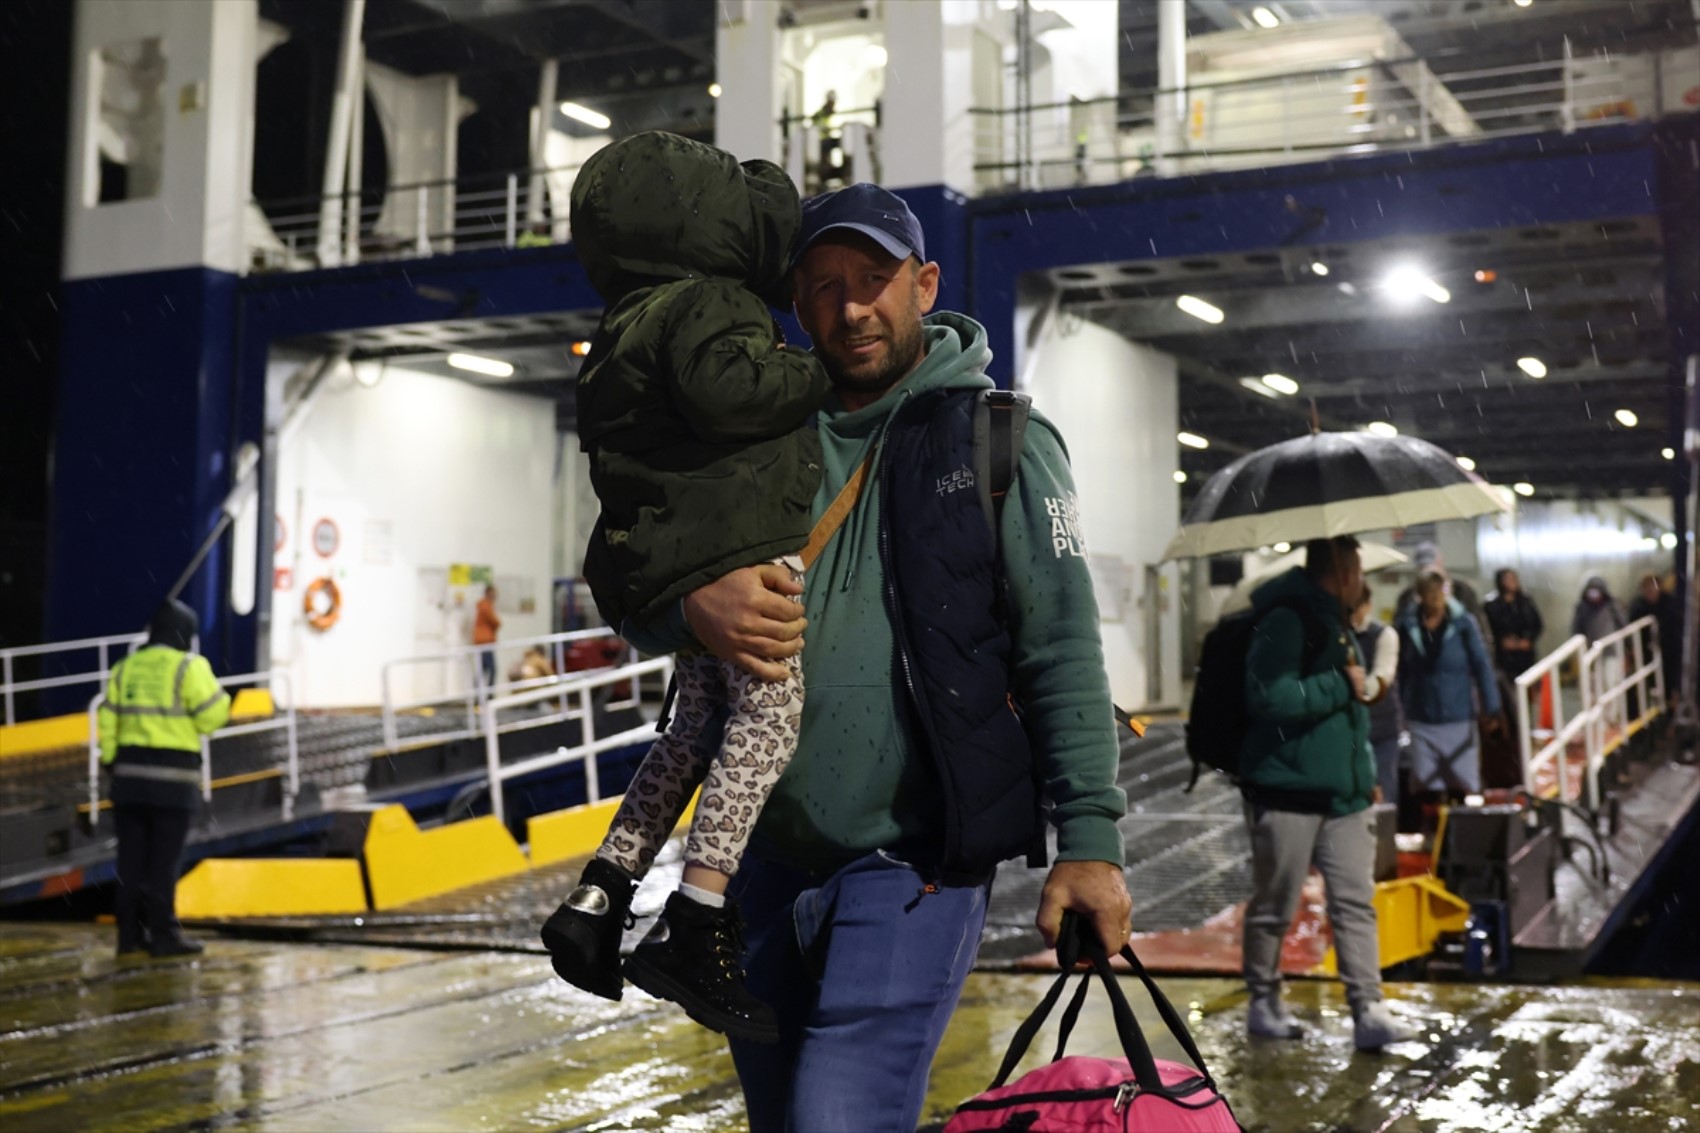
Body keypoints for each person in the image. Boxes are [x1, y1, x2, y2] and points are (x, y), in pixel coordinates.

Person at [610, 182, 1131, 1129]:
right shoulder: (752, 437)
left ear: (924, 285)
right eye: (820, 287)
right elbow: (624, 574)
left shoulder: (999, 439)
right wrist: (690, 600)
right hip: (754, 862)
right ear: (795, 306)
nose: (849, 308)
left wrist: (1090, 840)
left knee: (839, 1116)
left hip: (912, 862)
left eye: (874, 279)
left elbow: (1060, 643)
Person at [539, 131, 829, 1042]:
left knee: (693, 728)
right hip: (739, 544)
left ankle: (603, 888)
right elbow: (730, 390)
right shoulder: (709, 300)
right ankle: (697, 916)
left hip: (688, 548)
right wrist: (817, 366)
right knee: (769, 712)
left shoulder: (628, 315)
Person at [1240, 536, 1417, 1052]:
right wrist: (1339, 686)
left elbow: (1353, 716)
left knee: (1355, 904)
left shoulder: (1338, 622)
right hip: (1288, 791)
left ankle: (1369, 1008)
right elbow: (1268, 696)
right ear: (1340, 570)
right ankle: (1264, 1003)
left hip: (1344, 796)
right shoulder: (1286, 619)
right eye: (1358, 569)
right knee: (1276, 904)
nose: (1363, 580)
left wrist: (1363, 775)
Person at [97, 599, 231, 958]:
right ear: (185, 633)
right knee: (163, 863)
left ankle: (128, 937)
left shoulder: (126, 668)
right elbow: (213, 717)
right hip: (173, 782)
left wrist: (111, 759)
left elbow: (107, 720)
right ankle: (164, 936)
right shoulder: (190, 668)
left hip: (128, 779)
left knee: (130, 862)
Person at [1397, 569, 1502, 804]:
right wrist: (1401, 711)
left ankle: (1464, 833)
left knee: (1464, 784)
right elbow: (1402, 671)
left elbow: (1481, 666)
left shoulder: (1464, 624)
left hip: (1458, 717)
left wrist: (1492, 707)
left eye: (1438, 592)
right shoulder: (1408, 625)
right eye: (1429, 592)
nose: (1435, 598)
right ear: (1419, 595)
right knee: (1426, 786)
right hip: (1421, 718)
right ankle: (1434, 836)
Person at [1351, 583, 1403, 808]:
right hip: (1352, 730)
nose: (1353, 613)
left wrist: (1349, 687)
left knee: (1384, 791)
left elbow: (1381, 678)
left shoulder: (1383, 634)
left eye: (1357, 606)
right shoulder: (1339, 634)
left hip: (1382, 728)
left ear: (1368, 605)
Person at [1483, 568, 1544, 679]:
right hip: (1504, 658)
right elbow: (1487, 629)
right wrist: (1502, 642)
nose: (1512, 582)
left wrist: (1528, 640)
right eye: (1508, 579)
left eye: (1514, 578)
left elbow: (1537, 624)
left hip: (1526, 655)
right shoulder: (1491, 605)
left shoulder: (1526, 602)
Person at [473, 584, 501, 687]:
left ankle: (478, 694)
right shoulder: (485, 605)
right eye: (494, 593)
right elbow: (495, 622)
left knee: (483, 669)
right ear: (489, 593)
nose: (496, 596)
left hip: (484, 641)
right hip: (485, 641)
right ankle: (488, 694)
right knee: (491, 669)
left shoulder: (484, 605)